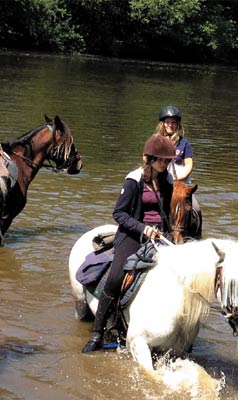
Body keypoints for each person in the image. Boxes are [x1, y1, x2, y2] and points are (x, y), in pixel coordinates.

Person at [81, 134, 176, 353]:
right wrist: (144, 228)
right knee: (115, 278)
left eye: (167, 161)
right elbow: (119, 213)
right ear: (150, 159)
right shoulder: (134, 180)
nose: (164, 164)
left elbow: (169, 212)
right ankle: (97, 333)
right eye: (161, 160)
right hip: (132, 235)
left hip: (161, 237)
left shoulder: (167, 181)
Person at [155, 105, 194, 182]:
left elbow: (189, 165)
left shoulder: (184, 142)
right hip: (158, 176)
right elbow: (147, 160)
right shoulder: (155, 141)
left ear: (177, 125)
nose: (170, 125)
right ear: (163, 124)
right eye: (167, 122)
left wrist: (180, 178)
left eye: (173, 122)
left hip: (178, 177)